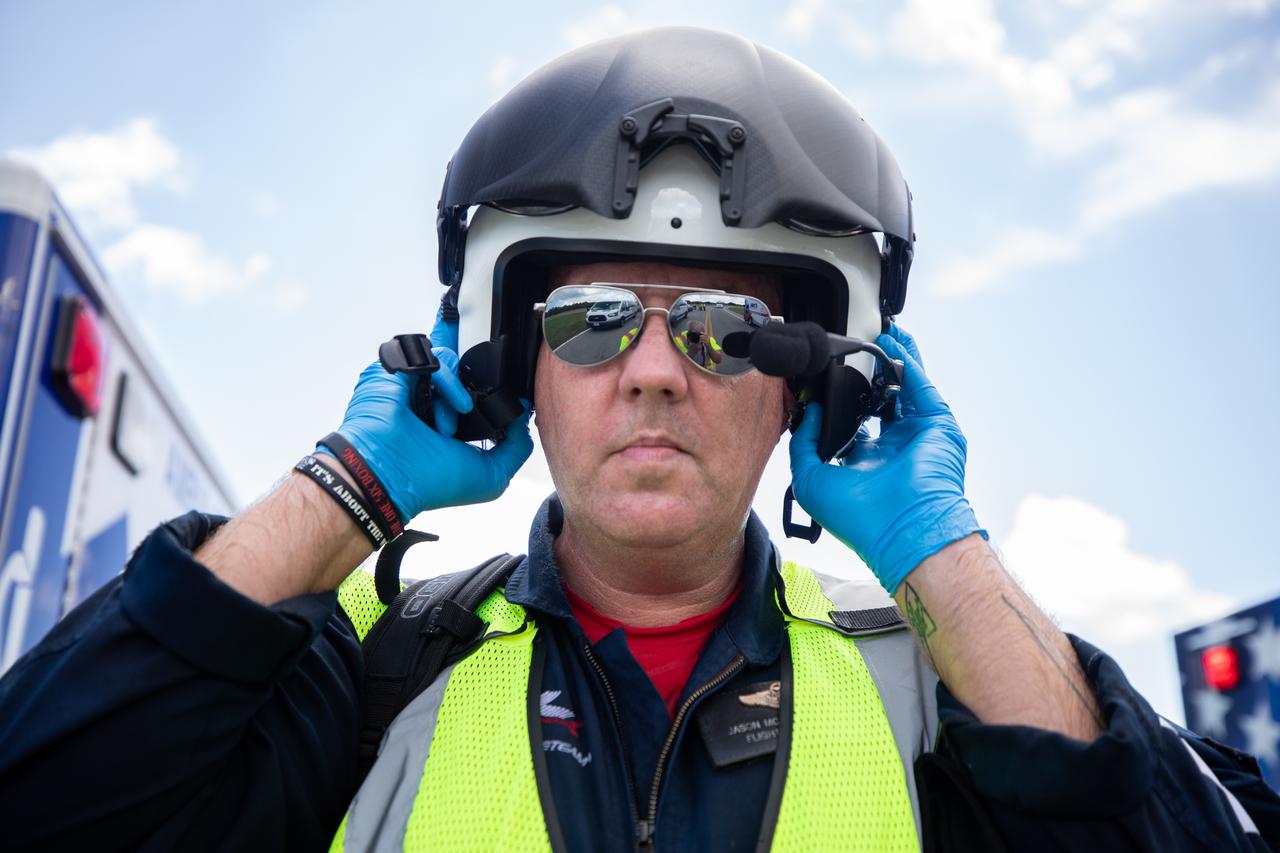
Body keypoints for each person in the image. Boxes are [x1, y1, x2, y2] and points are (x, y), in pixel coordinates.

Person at [1, 26, 1277, 853]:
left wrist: (938, 550)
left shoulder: (933, 693)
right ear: (516, 376)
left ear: (806, 387)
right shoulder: (373, 673)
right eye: (595, 320)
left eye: (725, 328)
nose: (657, 372)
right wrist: (349, 487)